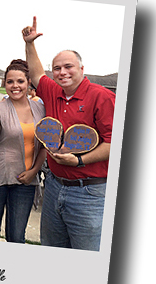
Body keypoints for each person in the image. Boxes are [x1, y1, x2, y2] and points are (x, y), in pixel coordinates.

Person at [22, 16, 116, 251]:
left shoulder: (102, 97)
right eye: (57, 68)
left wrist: (79, 160)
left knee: (86, 255)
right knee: (52, 250)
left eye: (68, 66)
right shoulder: (53, 91)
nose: (62, 72)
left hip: (89, 192)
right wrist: (29, 43)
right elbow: (35, 74)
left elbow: (114, 144)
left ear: (82, 69)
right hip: (54, 186)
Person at [0, 59, 46, 243]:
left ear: (29, 82)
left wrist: (34, 171)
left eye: (20, 81)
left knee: (16, 237)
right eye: (10, 82)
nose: (15, 86)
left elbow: (45, 145)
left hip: (25, 180)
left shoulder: (40, 109)